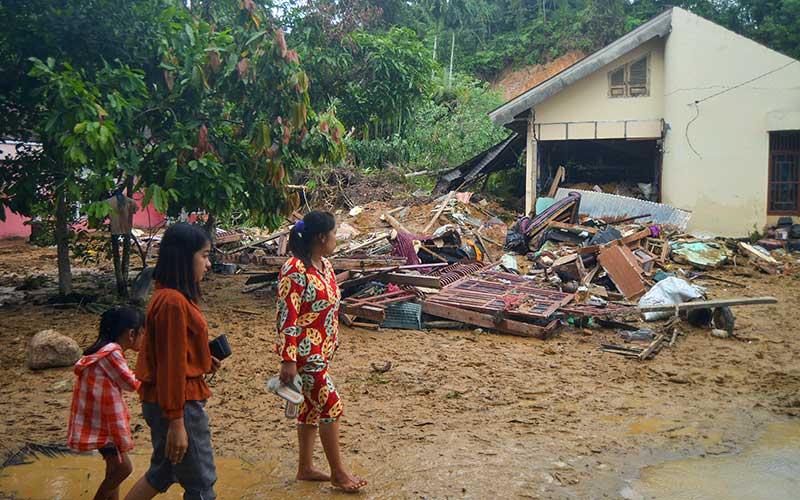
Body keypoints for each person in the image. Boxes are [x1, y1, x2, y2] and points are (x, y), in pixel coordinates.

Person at [125, 223, 221, 500]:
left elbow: (175, 353)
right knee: (201, 484)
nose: (208, 263)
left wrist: (202, 359)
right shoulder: (172, 302)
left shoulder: (169, 297)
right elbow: (170, 367)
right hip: (178, 404)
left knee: (163, 472)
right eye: (204, 255)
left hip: (169, 400)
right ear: (183, 257)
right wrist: (177, 423)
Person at [276, 211, 367, 493]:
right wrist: (288, 360)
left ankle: (305, 467)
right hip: (305, 354)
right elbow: (286, 318)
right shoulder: (294, 269)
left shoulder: (324, 266)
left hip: (322, 351)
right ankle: (338, 473)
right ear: (321, 237)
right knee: (331, 406)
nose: (336, 239)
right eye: (335, 234)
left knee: (309, 408)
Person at [67, 306, 144, 500]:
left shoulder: (102, 352)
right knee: (124, 468)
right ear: (132, 333)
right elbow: (130, 383)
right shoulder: (112, 353)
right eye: (143, 333)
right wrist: (151, 376)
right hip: (105, 427)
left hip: (96, 422)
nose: (145, 338)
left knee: (114, 469)